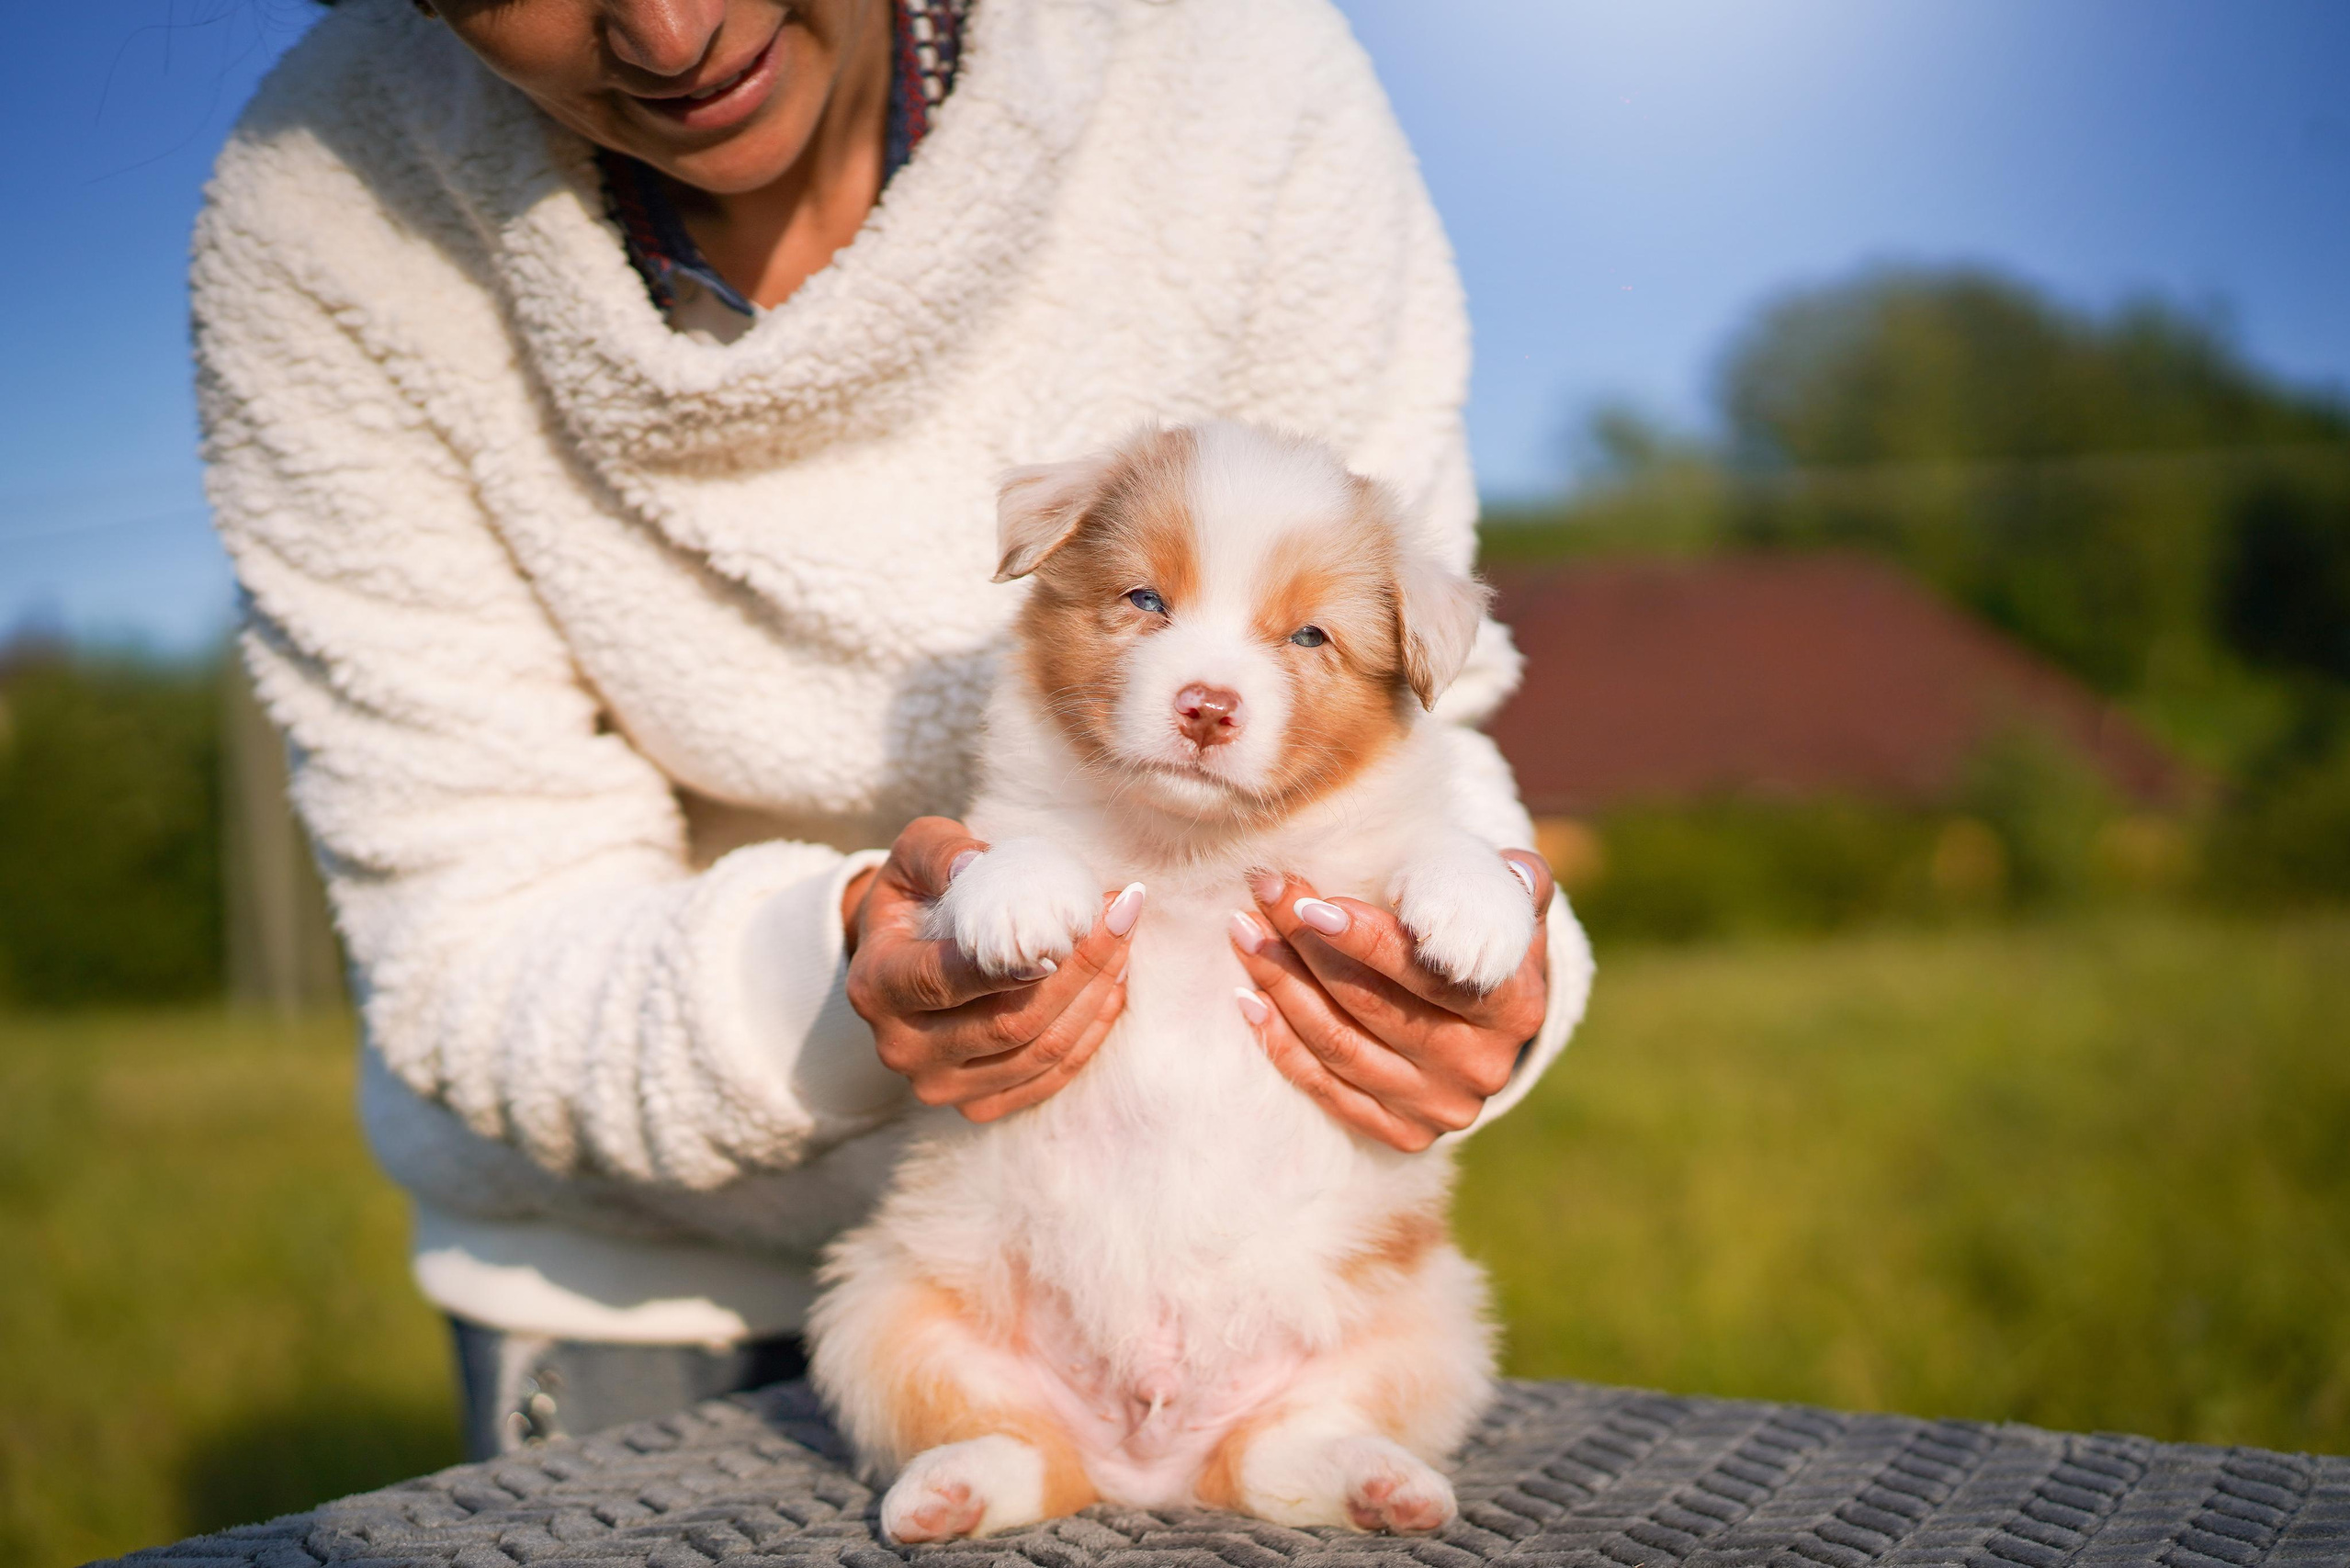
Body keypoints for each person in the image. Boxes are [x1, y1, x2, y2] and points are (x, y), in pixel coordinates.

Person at [192, 0, 1594, 1461]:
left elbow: (1435, 712)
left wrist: (1492, 984)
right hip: (648, 1271)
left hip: (1266, 1278)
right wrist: (831, 978)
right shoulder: (328, 200)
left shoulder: (1228, 59)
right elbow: (473, 930)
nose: (673, 32)